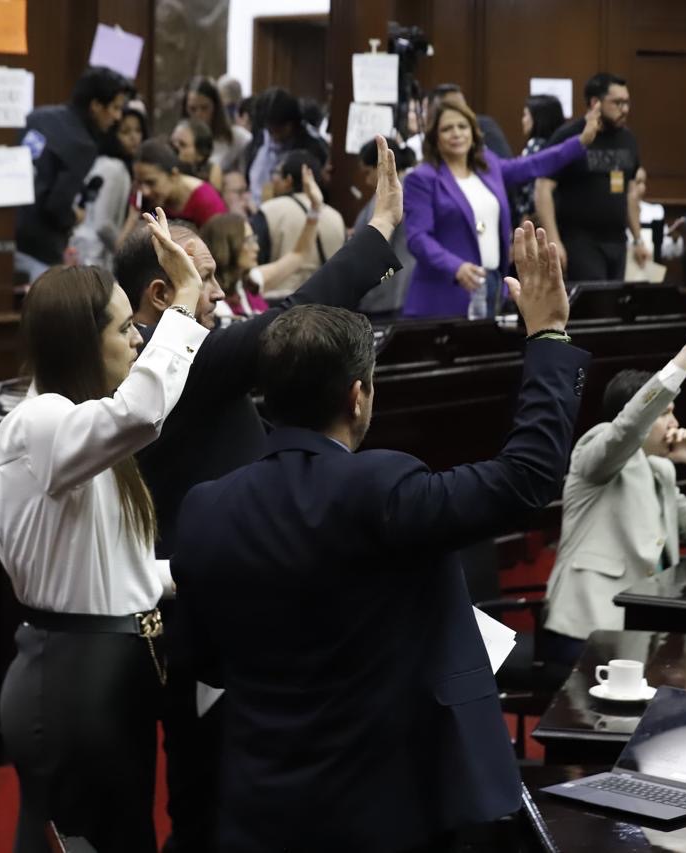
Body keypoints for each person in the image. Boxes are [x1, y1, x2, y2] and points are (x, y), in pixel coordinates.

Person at [170, 223, 590, 853]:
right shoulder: (383, 490)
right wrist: (549, 335)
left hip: (257, 811)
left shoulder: (205, 509)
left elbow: (201, 659)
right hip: (382, 814)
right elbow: (527, 478)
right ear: (358, 397)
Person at [113, 136, 403, 852]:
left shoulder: (164, 360)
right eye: (205, 278)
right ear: (161, 294)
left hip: (210, 604)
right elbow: (291, 321)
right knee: (206, 805)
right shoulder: (172, 363)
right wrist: (376, 233)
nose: (218, 293)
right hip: (202, 619)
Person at [0, 210, 207, 853]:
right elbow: (142, 412)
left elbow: (121, 571)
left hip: (109, 672)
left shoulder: (78, 429)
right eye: (123, 327)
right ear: (82, 344)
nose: (138, 338)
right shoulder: (39, 422)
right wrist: (185, 302)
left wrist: (204, 567)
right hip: (72, 678)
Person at [542, 289, 686, 664]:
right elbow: (628, 426)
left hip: (642, 627)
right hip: (588, 624)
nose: (674, 422)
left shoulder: (661, 470)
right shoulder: (596, 448)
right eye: (665, 412)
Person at [402, 98, 598, 317]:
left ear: (473, 132)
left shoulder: (488, 166)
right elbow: (418, 238)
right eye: (447, 129)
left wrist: (580, 142)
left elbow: (533, 164)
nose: (456, 133)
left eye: (462, 126)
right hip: (446, 292)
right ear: (434, 137)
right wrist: (456, 267)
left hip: (493, 285)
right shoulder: (422, 178)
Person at [16, 66, 133, 280]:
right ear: (96, 106)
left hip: (5, 231)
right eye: (115, 108)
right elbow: (56, 207)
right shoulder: (82, 144)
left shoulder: (38, 116)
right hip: (38, 249)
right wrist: (75, 216)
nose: (118, 117)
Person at [535, 72, 646, 281]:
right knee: (594, 299)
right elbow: (543, 188)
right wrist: (553, 240)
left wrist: (638, 239)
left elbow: (631, 194)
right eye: (617, 103)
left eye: (627, 103)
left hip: (617, 241)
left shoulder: (628, 139)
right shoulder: (569, 136)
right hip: (580, 241)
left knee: (615, 300)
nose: (625, 109)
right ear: (595, 102)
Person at [201, 164, 326, 319]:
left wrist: (315, 208)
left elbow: (298, 254)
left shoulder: (248, 282)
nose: (256, 247)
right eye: (248, 241)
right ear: (227, 246)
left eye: (254, 239)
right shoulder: (213, 301)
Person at [255, 150, 345, 297]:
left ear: (288, 180)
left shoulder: (269, 210)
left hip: (279, 301)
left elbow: (256, 262)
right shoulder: (337, 217)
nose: (273, 180)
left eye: (277, 174)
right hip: (324, 301)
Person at [69, 104, 147, 268]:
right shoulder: (113, 168)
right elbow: (103, 224)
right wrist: (122, 247)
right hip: (95, 257)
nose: (134, 137)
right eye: (125, 132)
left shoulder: (109, 164)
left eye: (138, 130)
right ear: (112, 135)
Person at [353, 138, 417, 316]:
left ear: (381, 166)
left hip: (385, 292)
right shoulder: (405, 188)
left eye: (368, 172)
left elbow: (376, 242)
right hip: (395, 287)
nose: (367, 181)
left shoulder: (393, 193)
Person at [119, 140, 226, 243]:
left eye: (151, 183)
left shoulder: (207, 202)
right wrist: (133, 219)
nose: (145, 191)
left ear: (174, 175)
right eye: (139, 182)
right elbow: (121, 248)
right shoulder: (142, 196)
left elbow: (219, 250)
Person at [243, 87, 329, 205]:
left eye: (278, 130)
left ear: (291, 124)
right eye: (270, 130)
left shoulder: (312, 147)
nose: (274, 136)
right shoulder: (261, 137)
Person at [513, 93, 566, 224]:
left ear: (538, 119)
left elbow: (528, 187)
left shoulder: (535, 147)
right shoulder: (561, 148)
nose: (523, 120)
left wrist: (525, 214)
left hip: (535, 221)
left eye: (526, 115)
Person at [183, 76, 251, 173]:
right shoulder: (179, 139)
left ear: (216, 108)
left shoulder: (239, 138)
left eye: (204, 108)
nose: (198, 115)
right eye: (193, 109)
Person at [170, 117, 222, 189]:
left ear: (200, 152)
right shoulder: (164, 168)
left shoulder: (212, 171)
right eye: (172, 143)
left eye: (182, 145)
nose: (174, 149)